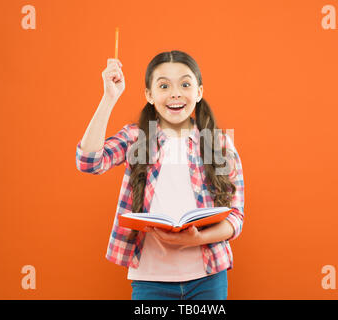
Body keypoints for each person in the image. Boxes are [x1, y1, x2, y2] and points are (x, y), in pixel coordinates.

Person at [76, 50, 244, 300]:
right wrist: (109, 98)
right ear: (149, 95)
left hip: (208, 277)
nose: (175, 93)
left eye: (185, 84)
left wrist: (196, 239)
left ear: (198, 92)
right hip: (150, 280)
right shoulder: (136, 137)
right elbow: (88, 161)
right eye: (164, 85)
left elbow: (236, 217)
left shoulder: (218, 143)